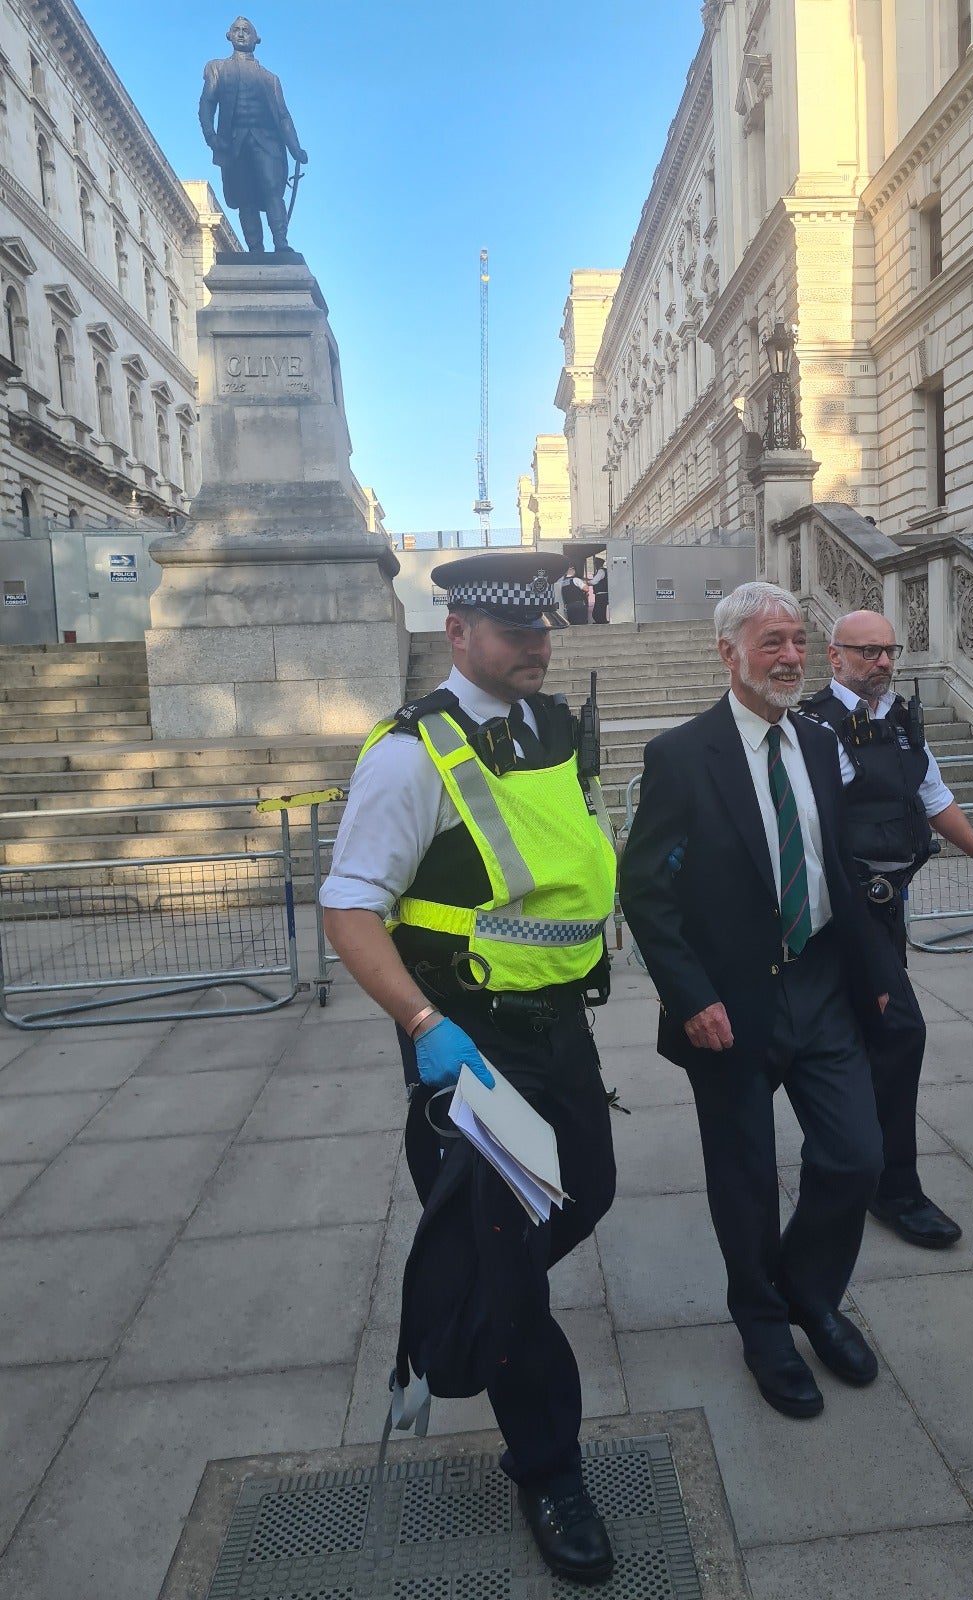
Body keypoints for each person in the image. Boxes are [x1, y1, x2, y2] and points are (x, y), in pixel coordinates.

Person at [320, 551, 619, 1584]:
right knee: (513, 1270)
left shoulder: (550, 726)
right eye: (511, 629)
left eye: (544, 625)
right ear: (456, 633)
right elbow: (348, 908)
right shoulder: (409, 755)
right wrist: (420, 1021)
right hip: (471, 1048)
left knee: (585, 1196)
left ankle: (451, 1320)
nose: (537, 642)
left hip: (560, 1031)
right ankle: (548, 1466)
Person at [619, 582, 890, 1421]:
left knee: (856, 1158)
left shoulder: (813, 744)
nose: (791, 657)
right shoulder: (680, 755)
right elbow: (645, 893)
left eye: (799, 641)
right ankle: (763, 1324)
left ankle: (809, 1293)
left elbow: (832, 865)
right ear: (728, 652)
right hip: (730, 1005)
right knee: (743, 1177)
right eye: (772, 641)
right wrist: (689, 995)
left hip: (817, 984)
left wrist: (876, 973)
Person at [801, 610, 973, 1248]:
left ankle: (850, 1163)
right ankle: (892, 1186)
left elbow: (934, 799)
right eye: (868, 652)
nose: (882, 663)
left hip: (888, 907)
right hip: (841, 908)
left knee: (866, 1036)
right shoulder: (812, 726)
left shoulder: (902, 722)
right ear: (835, 655)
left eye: (889, 652)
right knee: (899, 1030)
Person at [199, 17, 308, 254]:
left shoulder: (270, 79)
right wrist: (211, 135)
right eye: (236, 30)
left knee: (272, 189)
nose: (241, 34)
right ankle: (255, 249)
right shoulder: (216, 68)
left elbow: (283, 116)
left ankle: (281, 242)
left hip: (267, 142)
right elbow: (206, 104)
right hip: (234, 143)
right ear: (228, 35)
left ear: (256, 39)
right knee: (244, 197)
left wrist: (295, 148)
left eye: (246, 31)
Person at [590, 559, 609, 624]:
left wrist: (587, 582)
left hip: (601, 594)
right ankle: (602, 621)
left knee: (598, 610)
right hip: (604, 593)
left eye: (595, 564)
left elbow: (594, 582)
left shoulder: (601, 571)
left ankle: (601, 622)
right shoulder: (605, 571)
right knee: (602, 609)